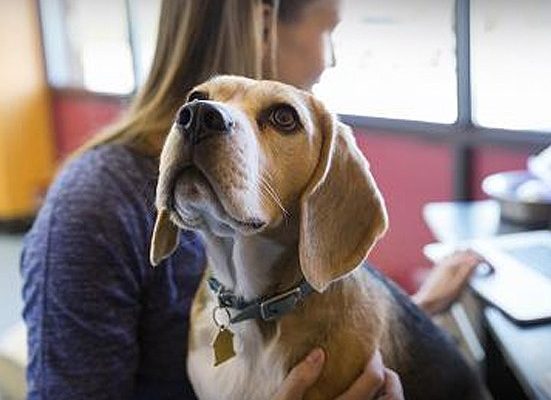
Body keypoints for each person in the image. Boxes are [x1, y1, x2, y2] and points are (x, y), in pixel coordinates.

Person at [21, 0, 480, 399]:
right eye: (329, 30)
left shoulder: (277, 233)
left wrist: (412, 316)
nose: (331, 60)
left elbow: (332, 319)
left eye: (279, 118)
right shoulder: (89, 209)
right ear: (263, 24)